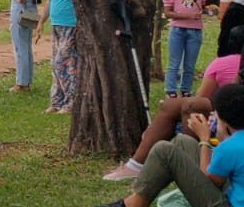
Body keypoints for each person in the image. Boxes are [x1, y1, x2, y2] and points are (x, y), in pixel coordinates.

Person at [86, 83, 244, 207]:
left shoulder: (229, 148)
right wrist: (222, 135)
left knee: (164, 151)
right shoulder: (234, 143)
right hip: (233, 189)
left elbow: (211, 183)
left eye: (215, 116)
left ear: (224, 121)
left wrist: (205, 139)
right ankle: (131, 203)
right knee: (183, 141)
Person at [103, 26, 243, 182]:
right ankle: (136, 165)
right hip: (236, 99)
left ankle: (193, 169)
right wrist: (224, 104)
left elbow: (203, 95)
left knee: (191, 106)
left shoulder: (219, 63)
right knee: (172, 105)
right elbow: (236, 83)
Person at [164, 0, 208, 97]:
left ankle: (186, 89)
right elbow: (167, 13)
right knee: (174, 62)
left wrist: (209, 11)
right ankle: (171, 90)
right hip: (177, 30)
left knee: (190, 64)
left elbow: (202, 8)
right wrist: (188, 16)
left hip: (195, 32)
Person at [42, 0, 78, 114]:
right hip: (57, 24)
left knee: (63, 62)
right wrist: (41, 21)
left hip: (71, 24)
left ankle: (71, 101)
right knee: (55, 63)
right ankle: (57, 100)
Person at [6, 0, 41, 92]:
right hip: (29, 6)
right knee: (25, 44)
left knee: (20, 44)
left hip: (22, 6)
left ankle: (22, 82)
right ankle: (25, 80)